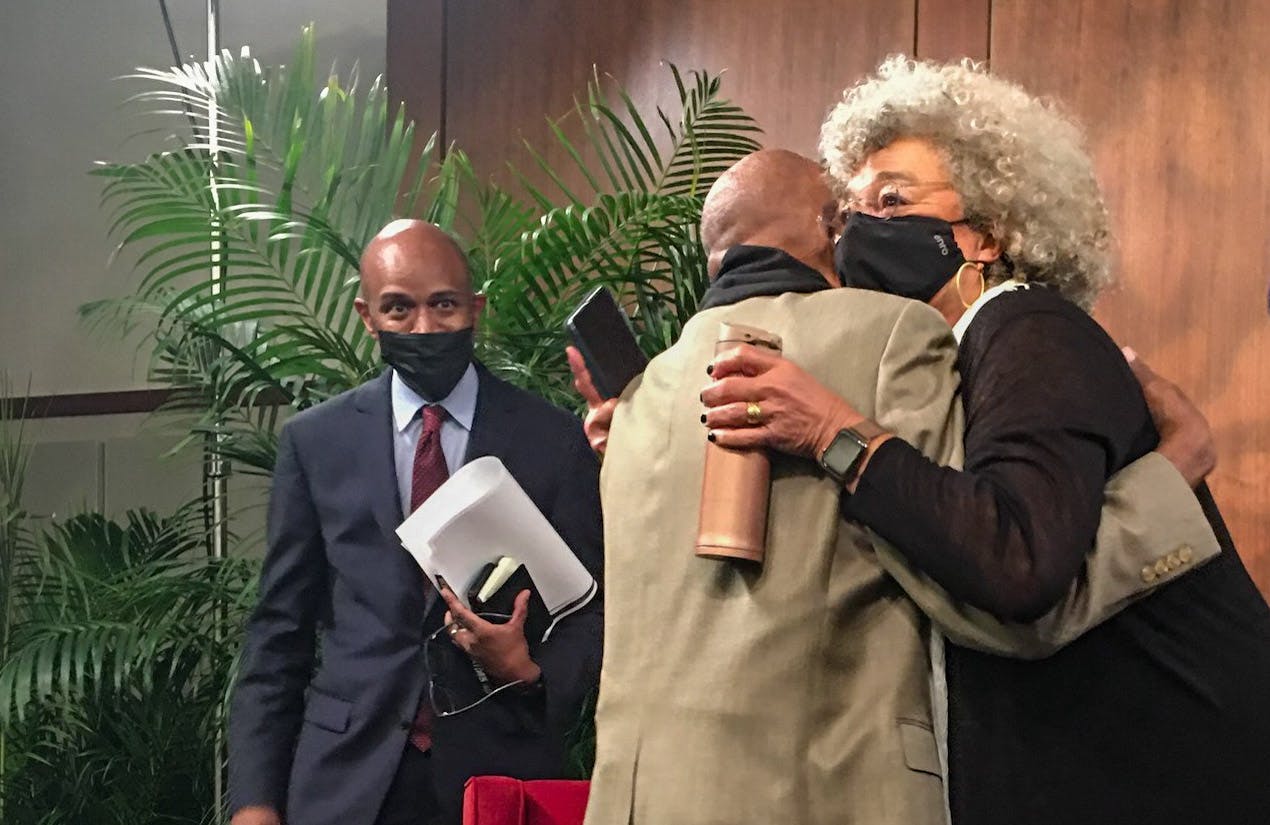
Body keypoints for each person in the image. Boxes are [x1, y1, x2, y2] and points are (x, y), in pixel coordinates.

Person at [702, 58, 1270, 824]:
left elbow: (1015, 559)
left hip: (1169, 760)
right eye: (853, 207)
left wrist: (835, 432)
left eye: (893, 200)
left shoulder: (1028, 328)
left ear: (986, 235)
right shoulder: (936, 363)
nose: (859, 228)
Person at [579, 149, 1218, 825]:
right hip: (817, 798)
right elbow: (998, 596)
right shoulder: (885, 336)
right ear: (833, 227)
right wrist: (1169, 480)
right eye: (862, 208)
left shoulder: (636, 401)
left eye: (891, 201)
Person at [228, 220, 604, 825]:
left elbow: (591, 612)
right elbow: (278, 634)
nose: (424, 327)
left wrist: (531, 673)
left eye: (445, 305)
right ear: (366, 315)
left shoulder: (554, 440)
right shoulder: (315, 443)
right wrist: (253, 801)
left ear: (476, 307)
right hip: (346, 780)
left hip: (502, 774)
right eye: (399, 309)